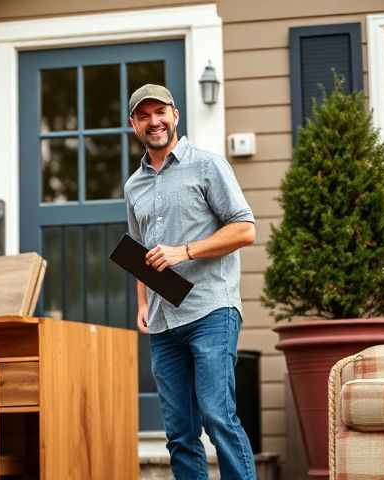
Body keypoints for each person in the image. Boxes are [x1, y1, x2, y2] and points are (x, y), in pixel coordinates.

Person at [124, 84, 257, 480]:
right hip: (164, 324)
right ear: (133, 125)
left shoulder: (207, 165)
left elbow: (245, 229)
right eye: (143, 116)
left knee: (218, 417)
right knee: (180, 434)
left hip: (211, 311)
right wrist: (143, 303)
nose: (154, 122)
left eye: (159, 112)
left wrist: (184, 251)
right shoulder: (134, 185)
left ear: (175, 115)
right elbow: (137, 250)